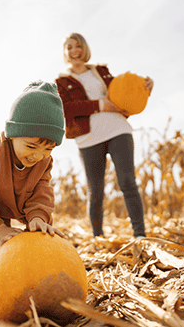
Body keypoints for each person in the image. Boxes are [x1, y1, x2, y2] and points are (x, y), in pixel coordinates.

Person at [0, 81, 66, 275]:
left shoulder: (43, 161)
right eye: (32, 146)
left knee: (41, 230)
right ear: (12, 134)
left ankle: (33, 272)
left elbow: (42, 191)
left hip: (19, 198)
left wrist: (37, 216)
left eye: (48, 149)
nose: (38, 155)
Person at [55, 33, 153, 238]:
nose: (74, 51)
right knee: (96, 192)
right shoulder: (62, 82)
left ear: (85, 49)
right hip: (88, 138)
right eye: (69, 47)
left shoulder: (101, 71)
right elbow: (65, 108)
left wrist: (144, 89)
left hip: (117, 128)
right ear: (65, 53)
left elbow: (122, 93)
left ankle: (140, 236)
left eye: (78, 46)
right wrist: (99, 105)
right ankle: (98, 238)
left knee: (127, 183)